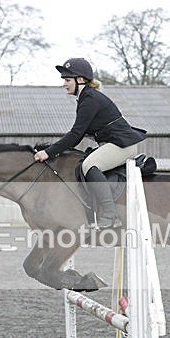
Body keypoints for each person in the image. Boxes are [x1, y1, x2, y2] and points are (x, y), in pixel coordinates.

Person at [33, 58, 147, 229]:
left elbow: (76, 135)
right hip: (112, 144)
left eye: (67, 80)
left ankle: (110, 214)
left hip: (123, 146)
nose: (64, 84)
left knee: (89, 165)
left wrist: (48, 152)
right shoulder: (86, 98)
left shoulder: (90, 100)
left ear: (80, 80)